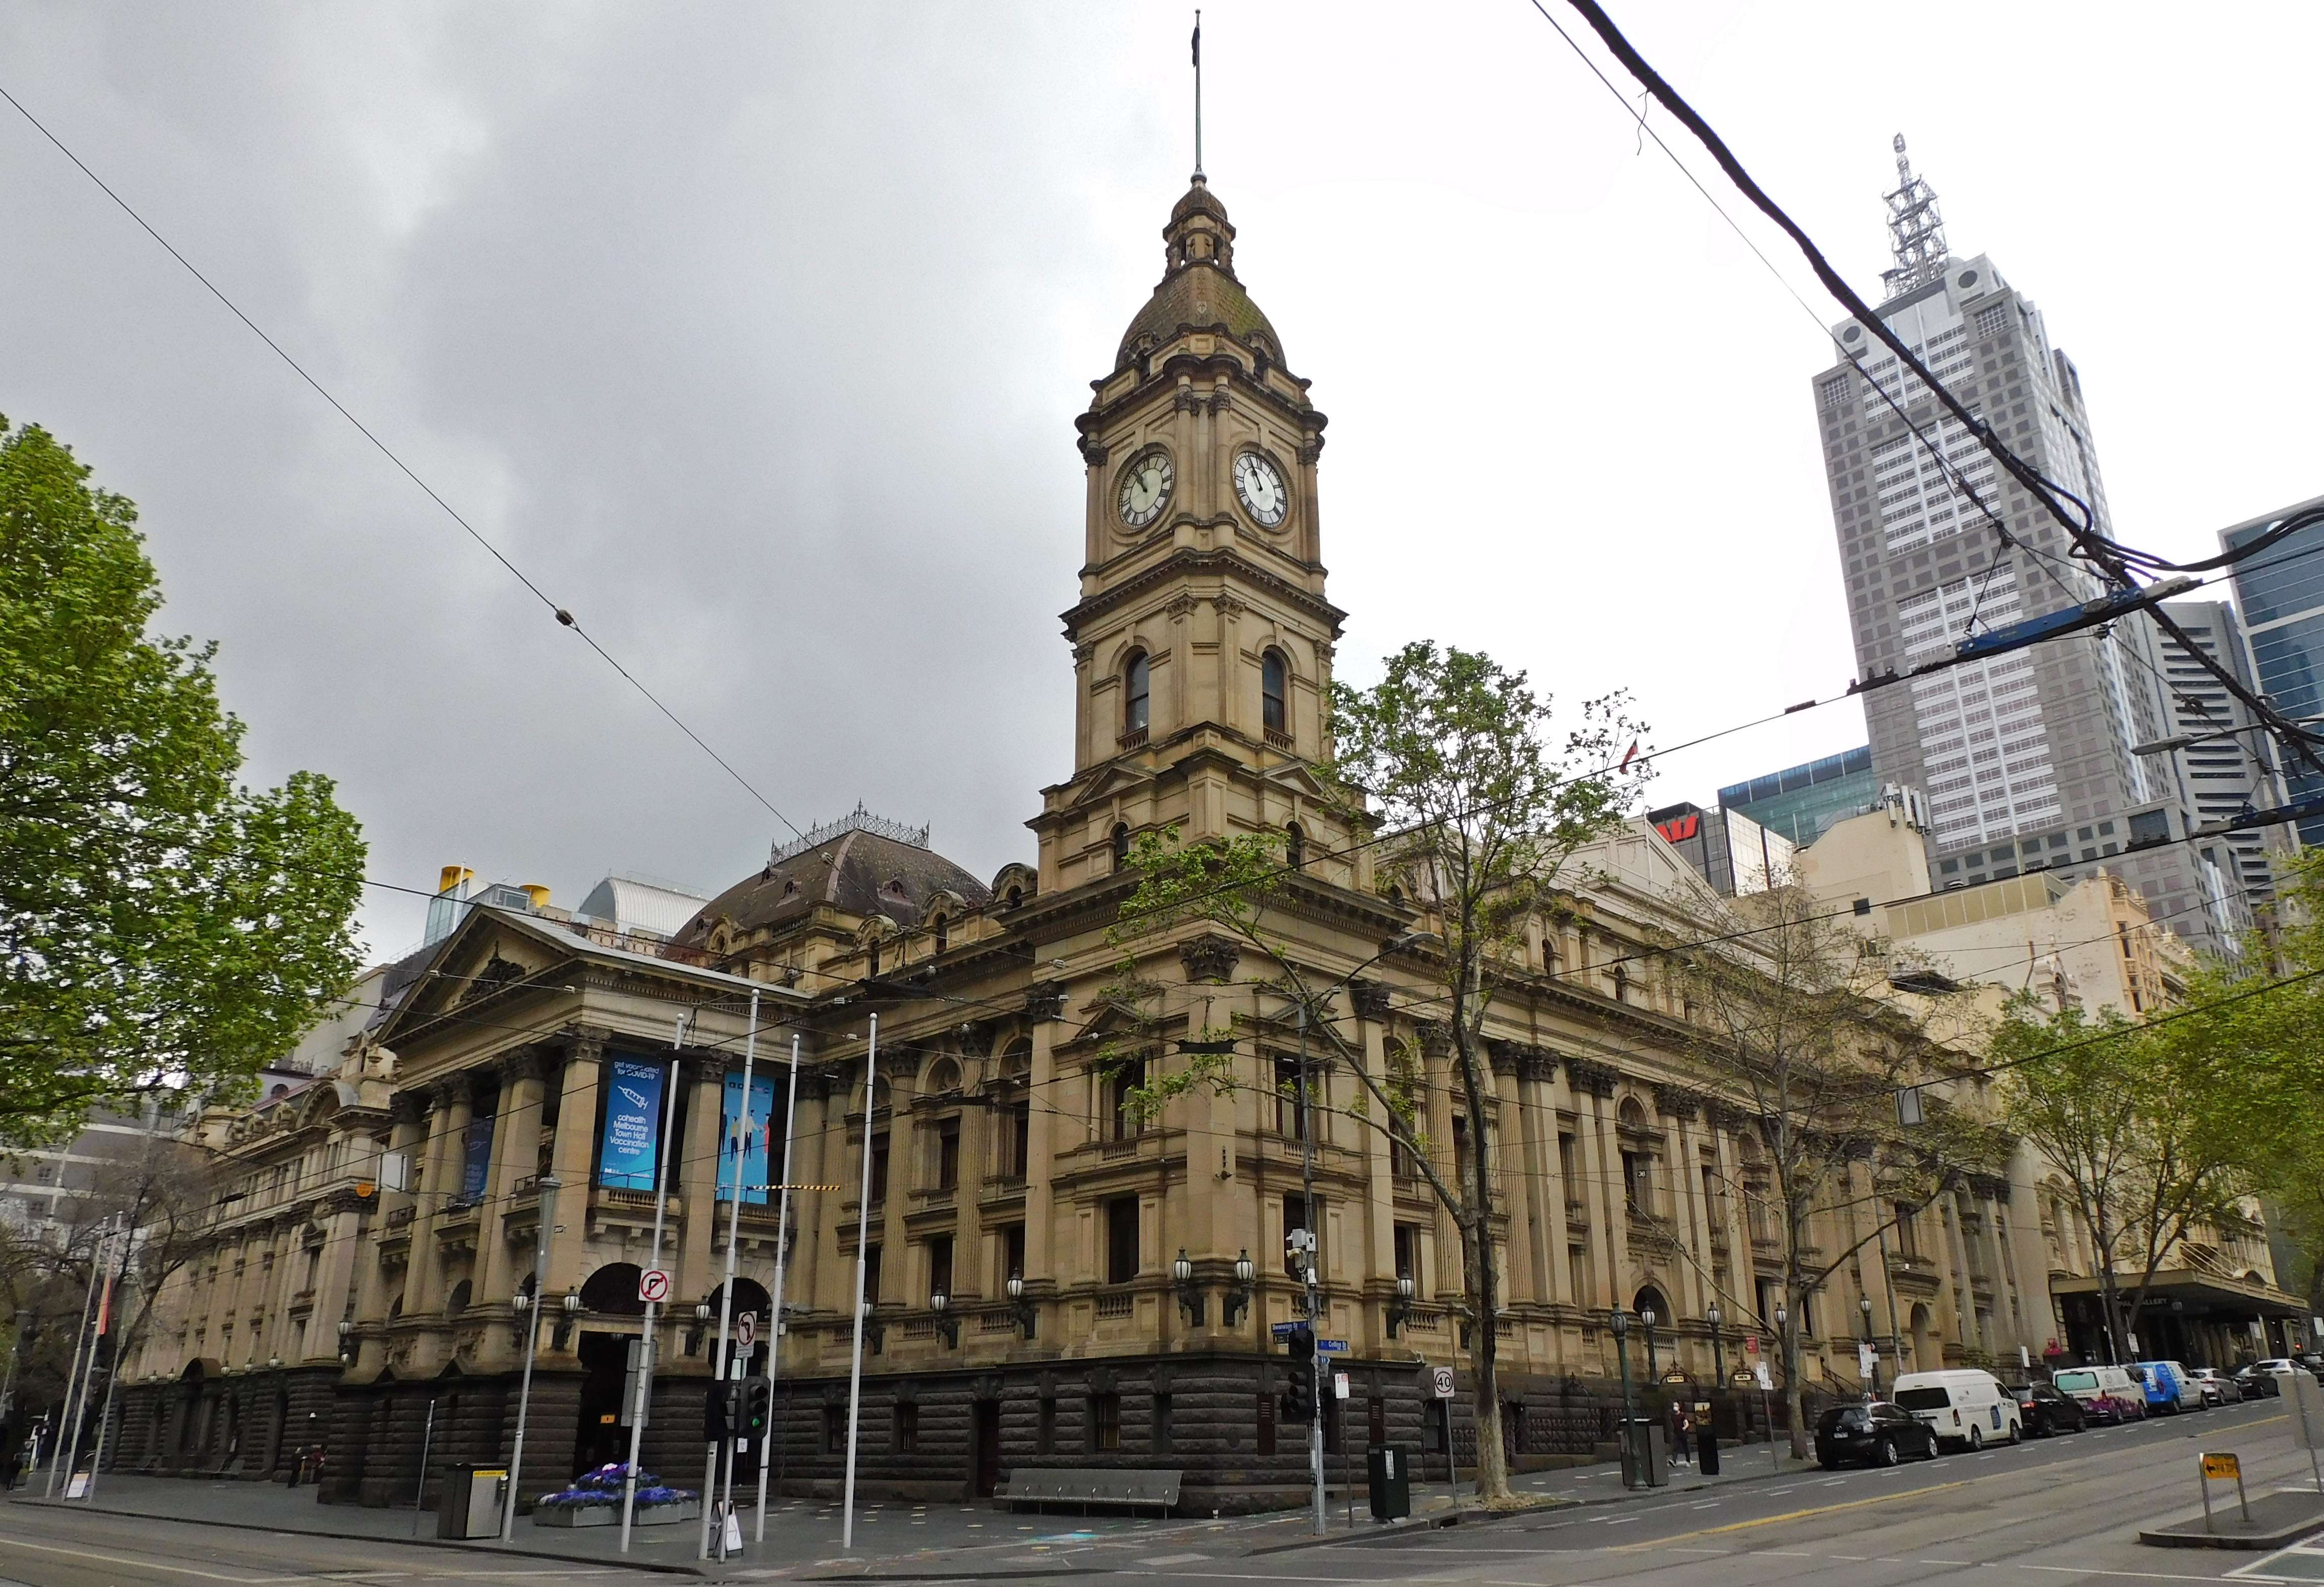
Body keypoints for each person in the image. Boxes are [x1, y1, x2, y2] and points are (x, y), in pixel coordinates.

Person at [1670, 1403, 1694, 1468]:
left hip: (1683, 1434)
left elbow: (1687, 1423)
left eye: (1676, 1406)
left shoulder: (1682, 1415)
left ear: (1679, 1407)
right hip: (1677, 1434)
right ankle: (1674, 1461)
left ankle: (1688, 1461)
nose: (1675, 1407)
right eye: (1674, 1406)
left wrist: (1685, 1428)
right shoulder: (1673, 1416)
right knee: (1676, 1447)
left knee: (1686, 1448)